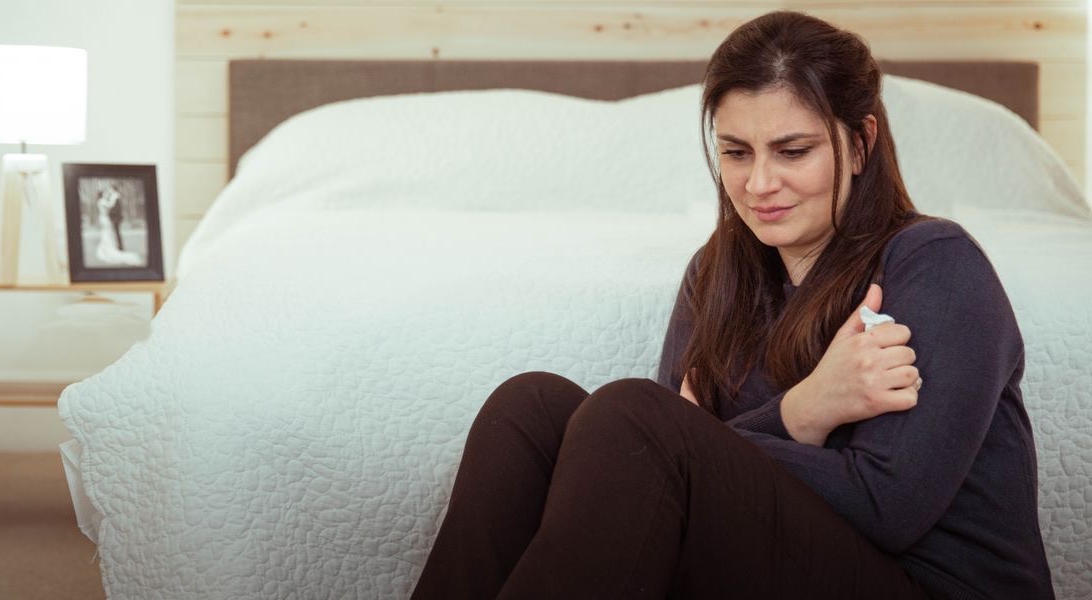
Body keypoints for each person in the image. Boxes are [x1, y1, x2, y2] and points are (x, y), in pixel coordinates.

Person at [411, 10, 1053, 600]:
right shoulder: (717, 273)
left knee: (629, 419)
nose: (759, 185)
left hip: (927, 585)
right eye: (736, 153)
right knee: (530, 409)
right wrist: (801, 413)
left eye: (792, 151)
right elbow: (662, 471)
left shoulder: (934, 261)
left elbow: (890, 505)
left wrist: (701, 435)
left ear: (859, 144)